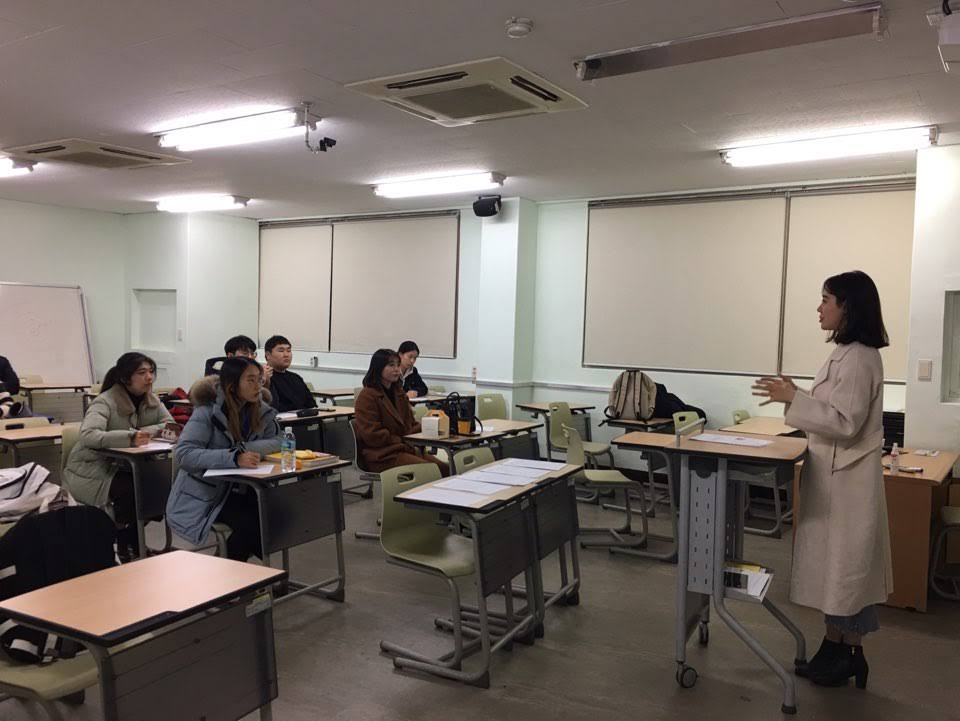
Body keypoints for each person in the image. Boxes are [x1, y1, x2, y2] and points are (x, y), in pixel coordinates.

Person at [752, 270, 892, 690]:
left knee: (847, 574)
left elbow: (845, 422)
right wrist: (799, 395)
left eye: (826, 300)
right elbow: (833, 409)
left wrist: (795, 398)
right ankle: (839, 650)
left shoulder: (860, 358)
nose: (819, 308)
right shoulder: (847, 354)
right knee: (842, 573)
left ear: (848, 306)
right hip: (838, 479)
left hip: (848, 483)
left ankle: (846, 653)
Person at [166, 357, 281, 561]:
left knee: (282, 517)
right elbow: (184, 454)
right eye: (250, 380)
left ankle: (229, 564)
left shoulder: (261, 410)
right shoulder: (206, 412)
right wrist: (233, 458)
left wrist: (242, 450)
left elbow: (279, 441)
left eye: (260, 380)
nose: (258, 386)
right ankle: (233, 570)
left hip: (246, 488)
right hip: (209, 493)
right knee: (254, 526)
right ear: (232, 385)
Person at [62, 352, 173, 561]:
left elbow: (170, 425)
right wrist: (129, 438)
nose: (149, 377)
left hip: (129, 465)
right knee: (133, 491)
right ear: (125, 377)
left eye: (151, 371)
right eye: (142, 373)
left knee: (161, 487)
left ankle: (130, 540)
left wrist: (141, 431)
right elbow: (88, 435)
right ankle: (125, 542)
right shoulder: (104, 402)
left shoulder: (152, 400)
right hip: (93, 467)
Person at [354, 348, 448, 475]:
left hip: (405, 449)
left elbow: (410, 424)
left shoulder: (398, 392)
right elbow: (372, 435)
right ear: (378, 368)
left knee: (445, 468)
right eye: (391, 365)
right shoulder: (367, 396)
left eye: (398, 365)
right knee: (430, 471)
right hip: (383, 455)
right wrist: (402, 440)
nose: (397, 369)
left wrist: (429, 429)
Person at [263, 335, 316, 412]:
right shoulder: (265, 379)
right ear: (268, 355)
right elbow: (273, 407)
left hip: (304, 418)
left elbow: (312, 404)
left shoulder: (296, 378)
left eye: (288, 351)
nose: (286, 355)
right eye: (281, 351)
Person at [203, 335, 273, 385]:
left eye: (252, 354)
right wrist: (260, 378)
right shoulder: (218, 376)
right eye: (245, 353)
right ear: (230, 356)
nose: (250, 357)